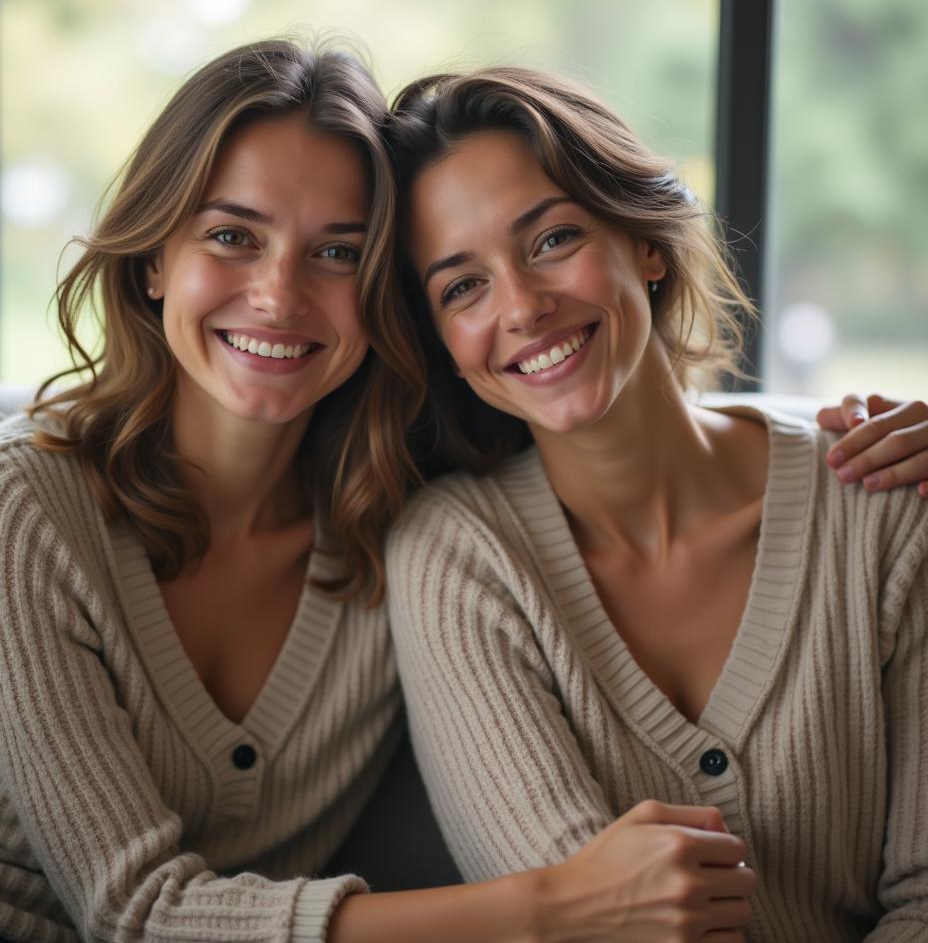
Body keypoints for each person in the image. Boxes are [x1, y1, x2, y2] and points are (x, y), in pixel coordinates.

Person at [0, 39, 923, 943]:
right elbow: (134, 913)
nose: (278, 292)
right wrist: (553, 907)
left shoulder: (396, 514)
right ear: (152, 262)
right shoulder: (19, 500)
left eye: (337, 253)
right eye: (230, 235)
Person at [383, 66, 928, 941]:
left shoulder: (882, 506)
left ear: (645, 241)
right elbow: (585, 925)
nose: (522, 305)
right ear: (442, 344)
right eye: (462, 287)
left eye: (552, 238)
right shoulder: (458, 559)